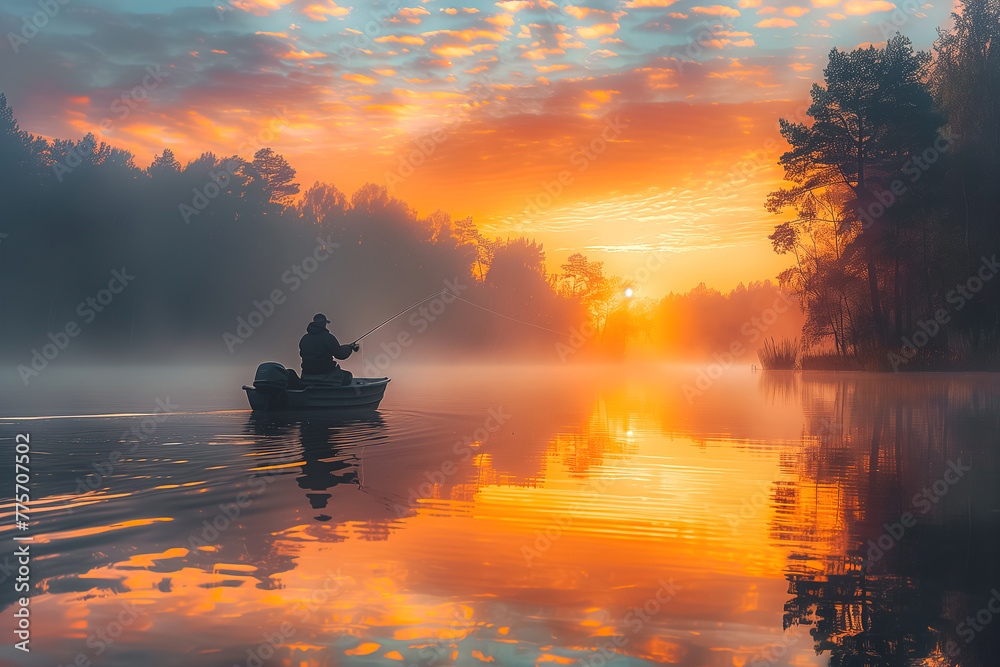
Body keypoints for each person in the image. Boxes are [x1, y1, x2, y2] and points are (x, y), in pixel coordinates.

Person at [298, 313, 359, 386]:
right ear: (324, 323)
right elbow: (341, 354)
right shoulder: (328, 338)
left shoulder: (304, 339)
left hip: (307, 376)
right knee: (348, 376)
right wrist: (349, 348)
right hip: (326, 375)